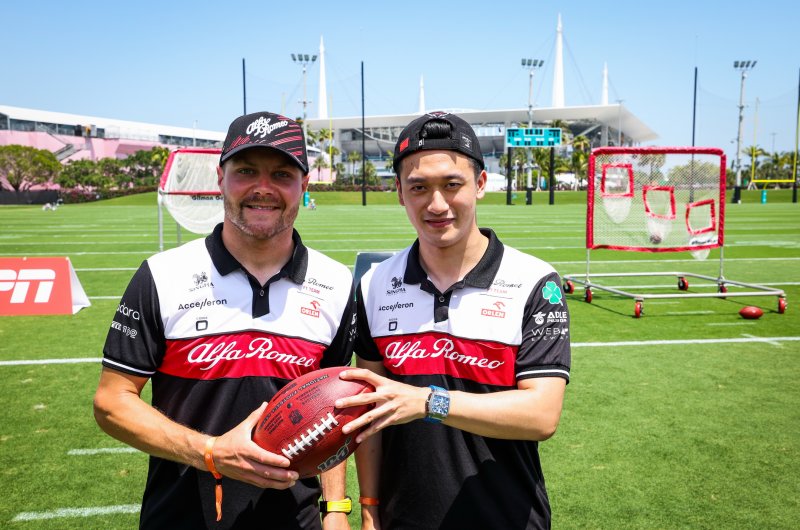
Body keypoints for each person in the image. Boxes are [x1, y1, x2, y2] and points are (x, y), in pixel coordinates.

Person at [94, 111, 357, 530]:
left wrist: (336, 509)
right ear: (220, 178)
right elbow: (112, 403)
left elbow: (332, 409)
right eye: (246, 171)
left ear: (304, 185)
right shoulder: (162, 275)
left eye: (282, 174)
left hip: (296, 521)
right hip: (180, 519)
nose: (263, 188)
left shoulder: (337, 283)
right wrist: (210, 452)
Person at [337, 112, 571, 529]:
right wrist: (369, 508)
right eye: (419, 187)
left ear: (480, 184)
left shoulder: (534, 281)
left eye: (452, 184)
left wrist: (430, 402)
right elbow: (369, 412)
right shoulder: (374, 284)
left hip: (508, 518)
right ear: (399, 192)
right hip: (402, 520)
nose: (437, 204)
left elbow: (541, 415)